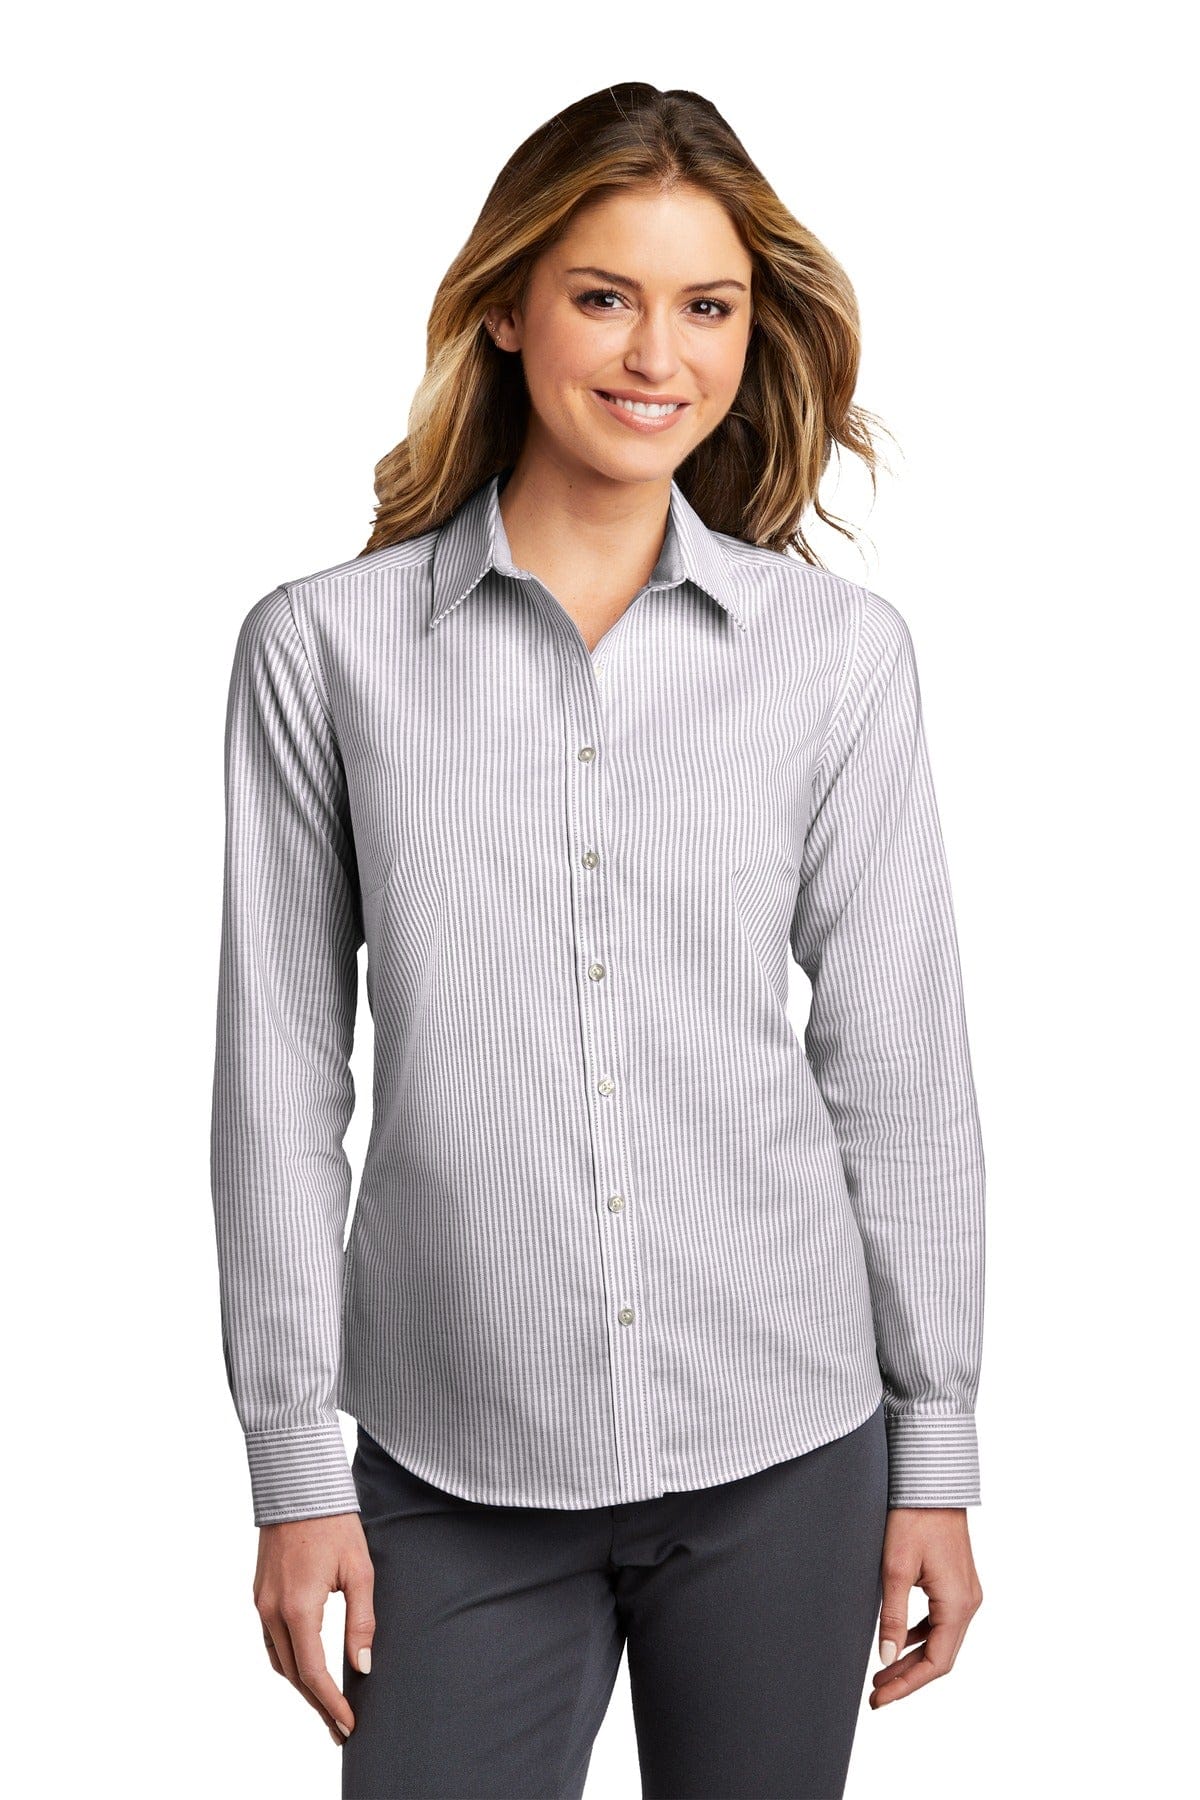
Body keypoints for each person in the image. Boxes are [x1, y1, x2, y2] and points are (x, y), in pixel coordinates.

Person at [210, 81, 986, 1800]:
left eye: (707, 306)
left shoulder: (836, 659)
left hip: (787, 1444)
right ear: (508, 308)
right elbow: (278, 1083)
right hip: (452, 1459)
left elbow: (902, 1070)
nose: (657, 355)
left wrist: (934, 1446)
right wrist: (293, 1469)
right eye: (603, 296)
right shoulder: (323, 654)